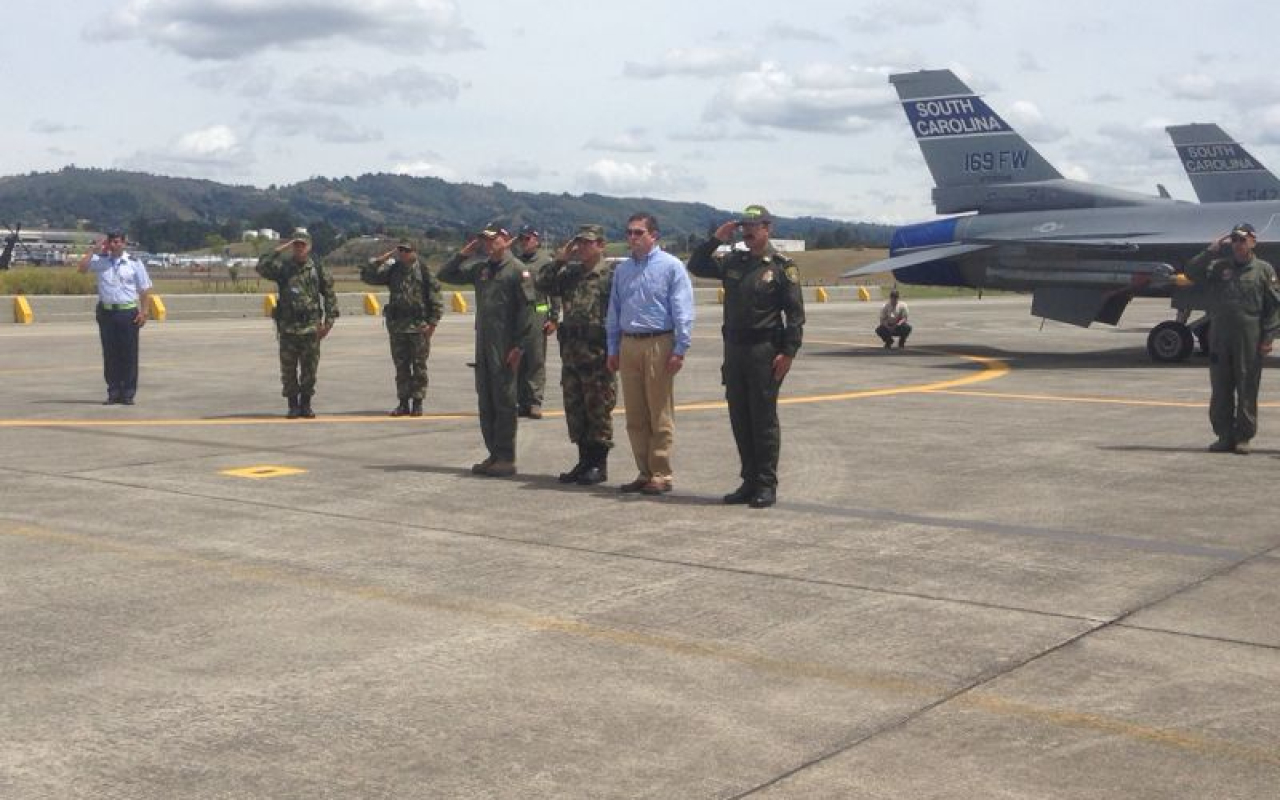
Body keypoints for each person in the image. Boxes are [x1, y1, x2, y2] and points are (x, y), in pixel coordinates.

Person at [688, 204, 805, 508]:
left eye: (754, 225)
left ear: (768, 228)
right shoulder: (733, 262)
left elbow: (794, 315)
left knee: (763, 419)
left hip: (765, 351)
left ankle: (766, 483)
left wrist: (788, 353)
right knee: (740, 417)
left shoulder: (781, 267)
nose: (748, 231)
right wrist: (716, 238)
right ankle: (748, 480)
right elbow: (697, 265)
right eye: (744, 226)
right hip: (735, 350)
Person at [605, 212, 695, 495]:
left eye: (638, 232)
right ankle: (643, 471)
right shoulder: (622, 270)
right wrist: (613, 347)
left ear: (653, 235)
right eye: (629, 233)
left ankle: (661, 472)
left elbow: (682, 309)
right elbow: (614, 310)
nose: (632, 238)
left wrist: (680, 348)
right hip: (629, 342)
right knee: (635, 414)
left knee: (659, 411)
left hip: (659, 341)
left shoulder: (671, 267)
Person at [438, 221, 535, 477]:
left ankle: (506, 457)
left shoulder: (517, 270)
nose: (487, 243)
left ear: (506, 239)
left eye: (492, 238)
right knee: (486, 402)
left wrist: (519, 347)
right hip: (483, 345)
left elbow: (528, 312)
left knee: (504, 401)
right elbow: (445, 275)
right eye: (484, 239)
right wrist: (463, 254)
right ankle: (493, 454)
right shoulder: (482, 269)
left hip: (505, 345)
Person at [1180, 222, 1280, 454]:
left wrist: (1268, 337)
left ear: (1253, 241)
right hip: (1220, 336)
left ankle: (1243, 437)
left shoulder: (1263, 270)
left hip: (1250, 335)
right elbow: (1191, 272)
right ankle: (1224, 436)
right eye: (1234, 240)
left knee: (1247, 386)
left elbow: (1274, 307)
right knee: (1221, 387)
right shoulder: (1218, 267)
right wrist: (1210, 251)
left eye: (1242, 239)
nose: (1238, 244)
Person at [535, 224, 617, 485]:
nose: (582, 247)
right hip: (571, 354)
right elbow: (542, 284)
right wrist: (559, 259)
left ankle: (598, 464)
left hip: (598, 354)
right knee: (576, 409)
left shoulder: (610, 275)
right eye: (578, 243)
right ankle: (583, 462)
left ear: (600, 245)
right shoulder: (569, 274)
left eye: (587, 243)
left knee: (598, 410)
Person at [256, 229, 339, 419]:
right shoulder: (284, 268)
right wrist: (279, 249)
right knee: (288, 370)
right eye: (296, 245)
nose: (299, 249)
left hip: (311, 328)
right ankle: (293, 405)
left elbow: (330, 296)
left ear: (309, 247)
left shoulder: (317, 270)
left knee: (309, 369)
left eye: (302, 245)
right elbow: (261, 266)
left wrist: (328, 323)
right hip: (288, 328)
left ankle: (306, 404)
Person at [360, 239, 444, 417]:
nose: (404, 254)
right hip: (398, 326)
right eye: (401, 251)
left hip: (419, 326)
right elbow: (368, 276)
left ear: (415, 251)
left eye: (407, 250)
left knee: (419, 366)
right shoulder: (393, 270)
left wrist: (432, 324)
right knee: (401, 367)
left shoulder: (424, 271)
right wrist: (382, 259)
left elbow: (436, 298)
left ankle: (418, 402)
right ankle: (403, 402)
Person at [77, 230, 153, 405]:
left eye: (118, 242)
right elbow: (81, 269)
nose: (114, 245)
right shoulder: (101, 261)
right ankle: (113, 391)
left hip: (127, 313)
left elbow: (144, 289)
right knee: (110, 354)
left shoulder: (134, 263)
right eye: (111, 242)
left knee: (128, 354)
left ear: (124, 243)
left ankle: (127, 393)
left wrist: (144, 311)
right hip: (107, 312)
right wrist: (93, 250)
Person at [513, 225, 560, 419]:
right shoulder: (514, 262)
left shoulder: (545, 262)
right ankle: (520, 401)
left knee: (535, 360)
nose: (525, 242)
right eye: (522, 239)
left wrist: (554, 318)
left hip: (537, 314)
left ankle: (534, 402)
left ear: (536, 240)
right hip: (516, 316)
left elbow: (555, 290)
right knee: (518, 361)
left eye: (528, 239)